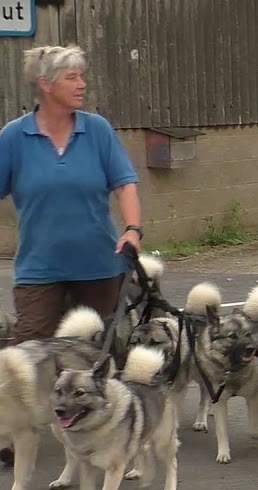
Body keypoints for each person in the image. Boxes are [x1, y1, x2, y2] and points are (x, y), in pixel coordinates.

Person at [0, 44, 143, 467]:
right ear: (45, 84)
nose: (82, 84)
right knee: (24, 356)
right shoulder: (14, 137)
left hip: (99, 265)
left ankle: (117, 431)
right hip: (38, 269)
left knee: (103, 352)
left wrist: (132, 230)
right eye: (72, 77)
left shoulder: (96, 130)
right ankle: (10, 435)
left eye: (82, 75)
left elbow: (126, 184)